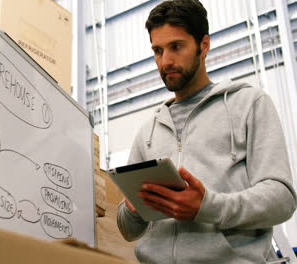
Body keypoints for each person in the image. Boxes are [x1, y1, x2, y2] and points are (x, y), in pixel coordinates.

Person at [116, 0, 297, 263]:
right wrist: (133, 208)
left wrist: (207, 206)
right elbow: (127, 229)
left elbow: (282, 199)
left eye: (176, 47)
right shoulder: (149, 131)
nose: (165, 61)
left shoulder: (248, 104)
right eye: (157, 50)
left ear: (204, 45)